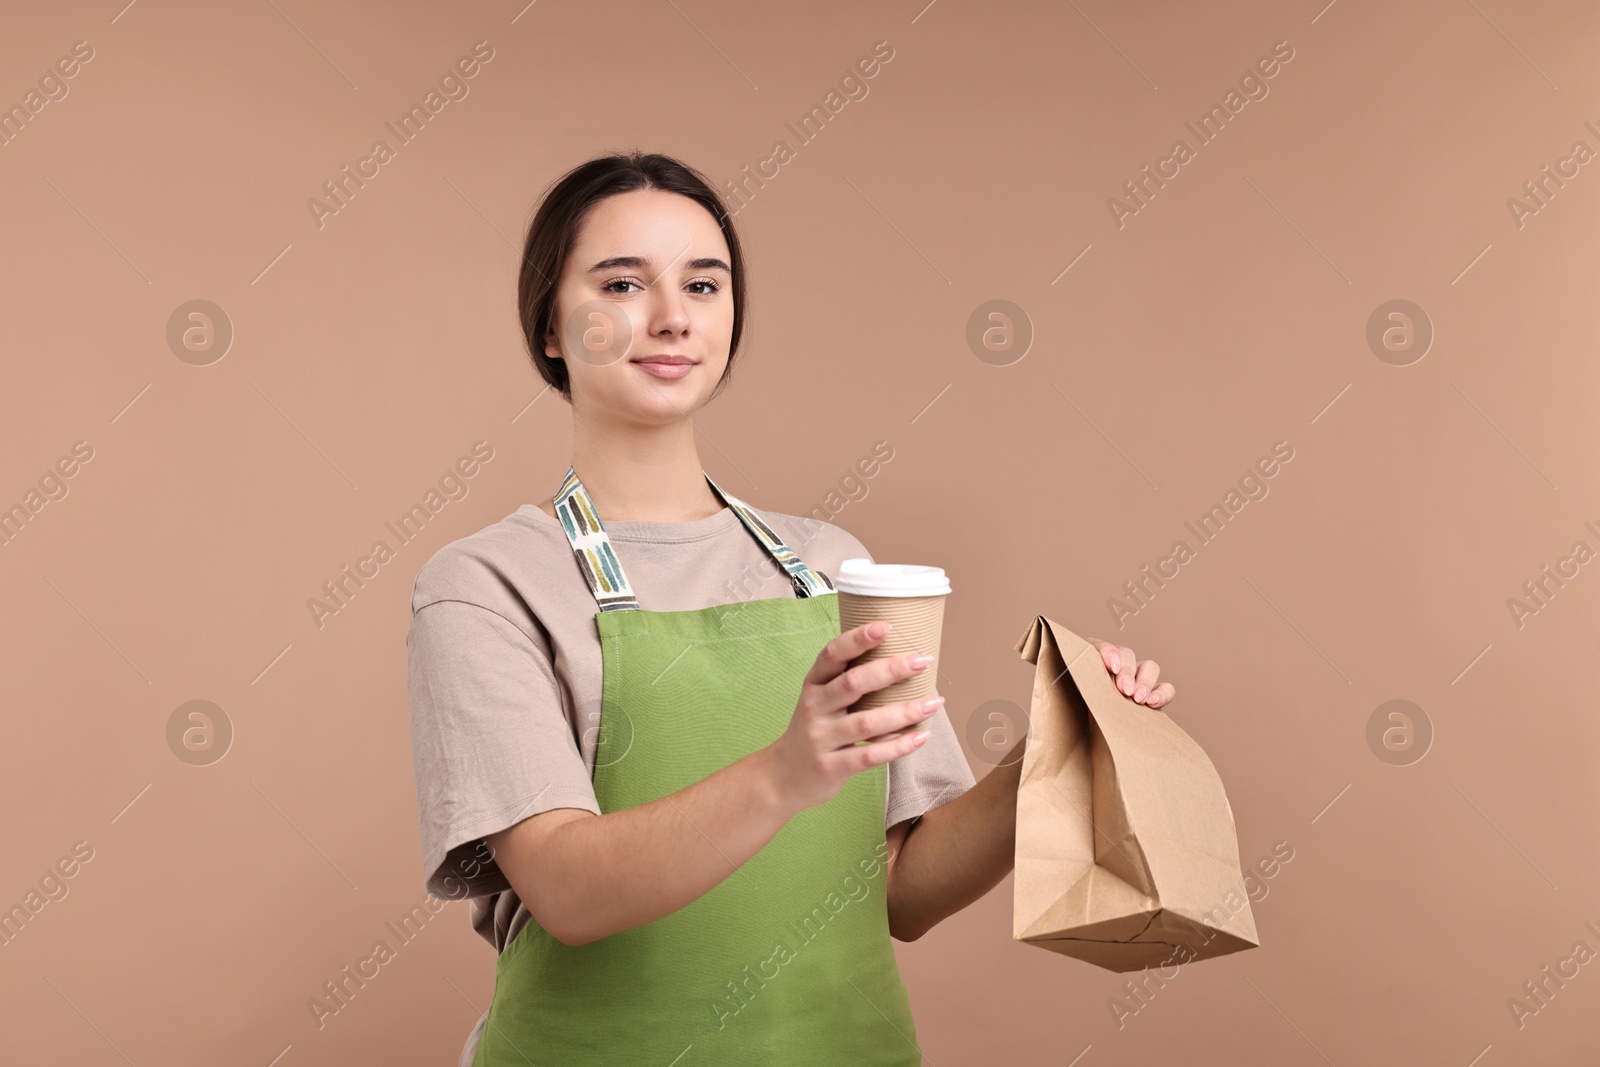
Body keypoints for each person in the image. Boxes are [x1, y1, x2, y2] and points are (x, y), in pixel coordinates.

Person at [404, 150, 1176, 1066]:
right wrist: (786, 770)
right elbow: (568, 890)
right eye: (621, 283)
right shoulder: (487, 584)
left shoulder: (827, 565)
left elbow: (898, 889)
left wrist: (1054, 751)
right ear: (552, 328)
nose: (672, 317)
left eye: (704, 283)